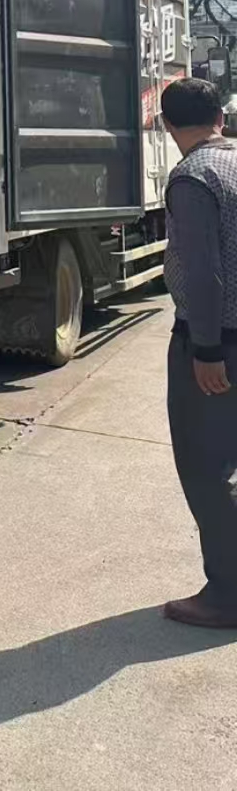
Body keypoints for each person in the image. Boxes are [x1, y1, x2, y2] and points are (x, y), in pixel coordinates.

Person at [160, 76, 237, 628]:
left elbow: (203, 272)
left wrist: (206, 350)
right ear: (220, 118)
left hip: (217, 343)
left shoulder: (194, 177)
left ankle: (228, 596)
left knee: (207, 468)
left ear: (166, 125)